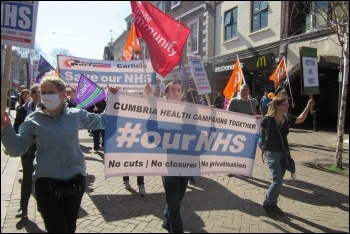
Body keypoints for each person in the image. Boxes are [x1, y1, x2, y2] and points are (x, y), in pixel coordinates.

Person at [1, 71, 118, 233]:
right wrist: (5, 129)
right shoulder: (33, 120)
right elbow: (16, 149)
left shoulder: (75, 115)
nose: (47, 96)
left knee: (70, 228)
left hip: (75, 184)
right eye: (44, 93)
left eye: (51, 92)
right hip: (47, 185)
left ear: (63, 94)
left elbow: (103, 122)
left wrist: (113, 99)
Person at [144, 81, 188, 233]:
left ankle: (166, 218)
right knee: (174, 200)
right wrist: (149, 98)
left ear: (182, 93)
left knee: (179, 196)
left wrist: (212, 114)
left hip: (186, 161)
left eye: (179, 89)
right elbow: (152, 132)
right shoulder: (160, 109)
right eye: (173, 90)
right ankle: (177, 229)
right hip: (167, 161)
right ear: (167, 93)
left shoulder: (190, 111)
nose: (176, 92)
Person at [260, 95, 314, 216]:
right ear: (278, 106)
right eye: (285, 104)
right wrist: (253, 119)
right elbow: (255, 129)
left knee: (279, 181)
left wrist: (308, 106)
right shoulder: (267, 119)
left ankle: (272, 203)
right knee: (277, 180)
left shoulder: (286, 117)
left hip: (284, 154)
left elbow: (300, 119)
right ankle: (268, 203)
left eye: (287, 103)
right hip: (271, 153)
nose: (288, 106)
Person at [13, 85, 40, 218]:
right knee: (27, 178)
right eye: (34, 92)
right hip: (28, 150)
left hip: (44, 149)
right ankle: (23, 207)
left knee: (43, 178)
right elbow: (16, 127)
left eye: (39, 92)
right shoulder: (23, 109)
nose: (36, 94)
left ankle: (44, 206)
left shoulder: (50, 109)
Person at [185, 88, 199, 184]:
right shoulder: (188, 106)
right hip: (188, 132)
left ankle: (190, 173)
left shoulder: (194, 105)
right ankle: (189, 174)